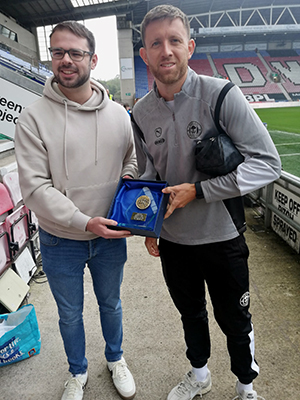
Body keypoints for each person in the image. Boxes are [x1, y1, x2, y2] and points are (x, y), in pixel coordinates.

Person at [132, 5, 281, 400]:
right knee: (190, 315)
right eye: (155, 43)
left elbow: (268, 164)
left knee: (235, 319)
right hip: (175, 243)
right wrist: (146, 221)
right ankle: (199, 377)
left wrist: (199, 191)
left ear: (190, 47)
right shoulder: (140, 113)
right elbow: (151, 173)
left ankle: (246, 387)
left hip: (223, 236)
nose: (166, 50)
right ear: (144, 54)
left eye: (174, 41)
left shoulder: (221, 95)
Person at [15, 21, 137, 400]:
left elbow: (131, 161)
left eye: (75, 53)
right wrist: (85, 221)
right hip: (59, 240)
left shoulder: (118, 115)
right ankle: (77, 371)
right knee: (69, 314)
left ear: (93, 59)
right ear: (50, 57)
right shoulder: (33, 118)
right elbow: (35, 188)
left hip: (110, 237)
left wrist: (128, 195)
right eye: (57, 52)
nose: (66, 60)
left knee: (111, 304)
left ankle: (115, 359)